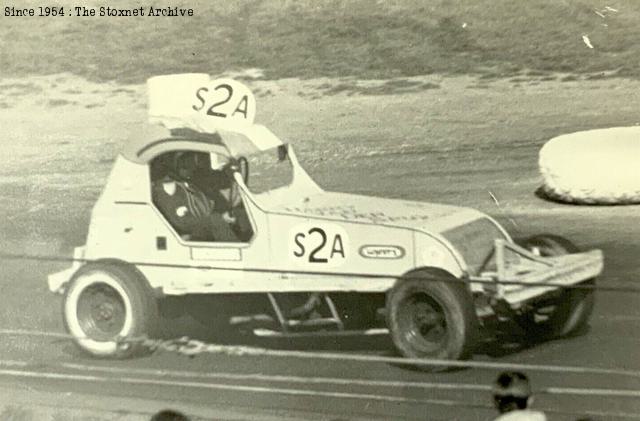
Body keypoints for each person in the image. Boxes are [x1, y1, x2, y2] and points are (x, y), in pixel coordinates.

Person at [152, 151, 239, 242]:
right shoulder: (166, 188)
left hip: (205, 222)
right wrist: (220, 218)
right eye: (185, 164)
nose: (191, 168)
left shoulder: (188, 183)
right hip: (194, 234)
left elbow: (207, 202)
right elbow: (182, 223)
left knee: (239, 214)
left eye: (191, 162)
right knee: (216, 220)